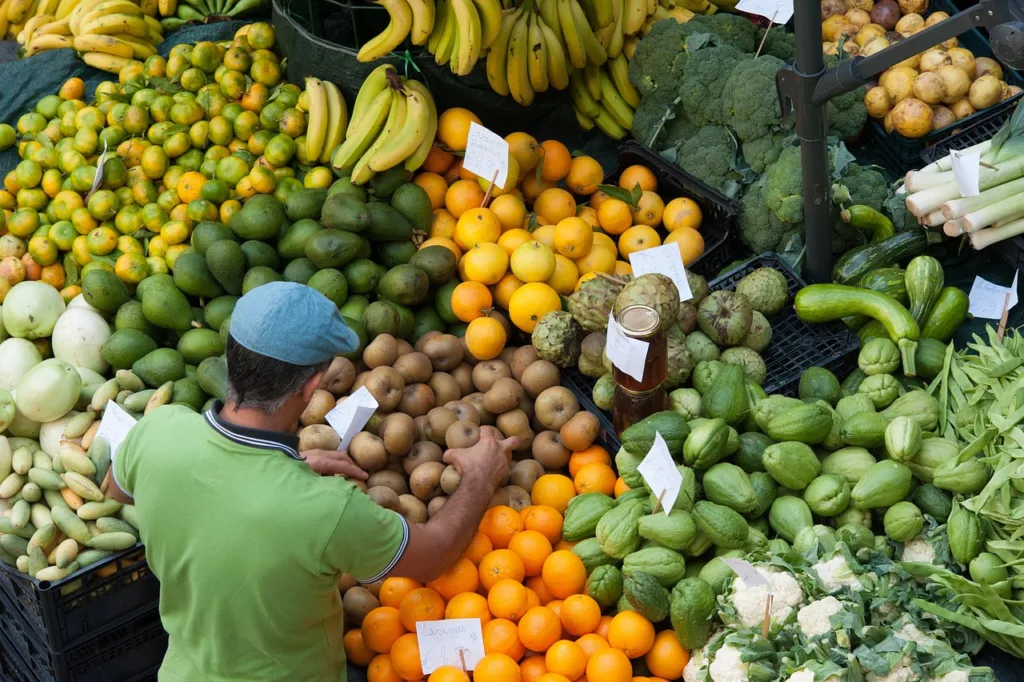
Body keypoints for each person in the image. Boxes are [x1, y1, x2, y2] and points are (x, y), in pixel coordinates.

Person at [108, 281, 518, 681]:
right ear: (310, 386)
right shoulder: (328, 508)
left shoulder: (158, 430)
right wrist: (479, 480)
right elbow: (436, 556)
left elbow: (117, 489)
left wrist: (284, 467)